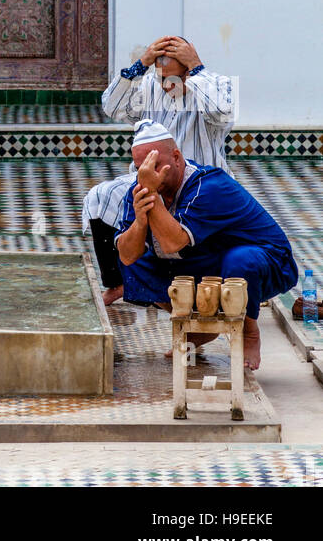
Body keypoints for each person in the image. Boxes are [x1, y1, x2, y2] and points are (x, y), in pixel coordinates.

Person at [115, 122, 297, 369]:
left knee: (240, 260)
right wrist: (139, 221)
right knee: (137, 263)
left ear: (177, 157)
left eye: (155, 165)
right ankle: (199, 326)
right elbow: (127, 255)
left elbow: (172, 242)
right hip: (211, 259)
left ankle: (249, 333)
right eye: (141, 169)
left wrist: (150, 193)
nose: (148, 174)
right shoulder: (140, 189)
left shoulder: (209, 185)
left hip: (269, 263)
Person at [83, 36, 235, 304]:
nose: (168, 87)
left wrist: (198, 66)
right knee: (99, 197)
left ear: (189, 71)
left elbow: (222, 111)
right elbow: (112, 107)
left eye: (174, 79)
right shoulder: (151, 88)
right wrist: (140, 65)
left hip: (201, 184)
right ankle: (116, 283)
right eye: (162, 78)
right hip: (151, 180)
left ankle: (218, 282)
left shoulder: (215, 86)